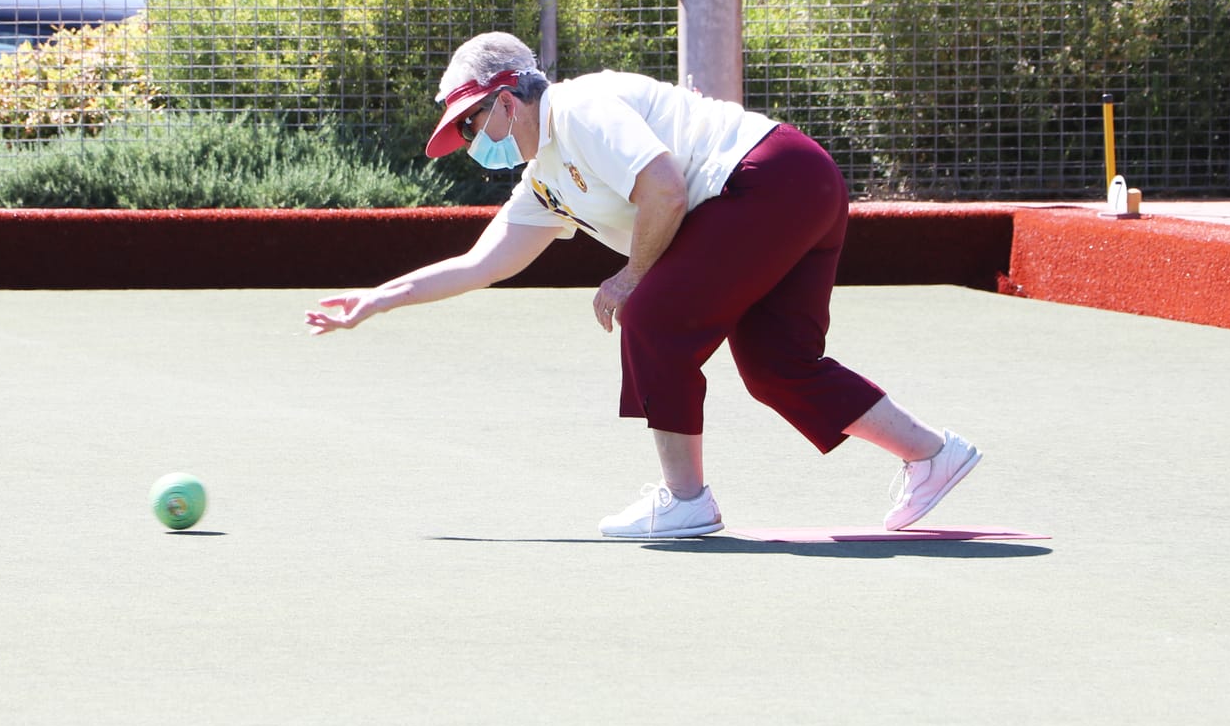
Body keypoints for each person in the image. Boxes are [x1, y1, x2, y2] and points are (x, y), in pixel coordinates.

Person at [304, 32, 981, 538]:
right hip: (797, 185)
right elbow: (483, 263)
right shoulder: (544, 174)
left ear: (505, 99)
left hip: (772, 178)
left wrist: (630, 276)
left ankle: (685, 501)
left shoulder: (579, 109)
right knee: (778, 364)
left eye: (472, 124)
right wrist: (375, 300)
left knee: (652, 316)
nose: (472, 141)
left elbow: (665, 186)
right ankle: (933, 454)